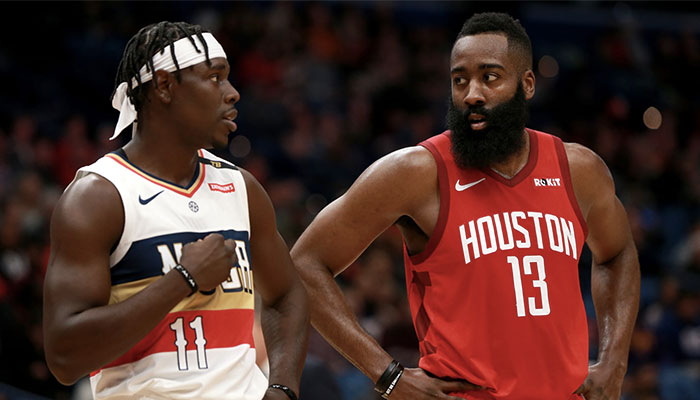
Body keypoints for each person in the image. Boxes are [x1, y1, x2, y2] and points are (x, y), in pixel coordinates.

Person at [291, 12, 640, 400]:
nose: (472, 93)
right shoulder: (416, 172)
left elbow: (618, 252)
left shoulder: (577, 169)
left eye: (489, 77)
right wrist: (386, 374)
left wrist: (614, 360)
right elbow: (305, 263)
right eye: (460, 80)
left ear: (526, 85)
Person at [43, 21, 309, 400]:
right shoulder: (99, 196)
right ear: (165, 86)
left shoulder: (240, 188)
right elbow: (64, 357)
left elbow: (288, 294)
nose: (232, 94)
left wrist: (282, 387)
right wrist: (182, 279)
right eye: (214, 77)